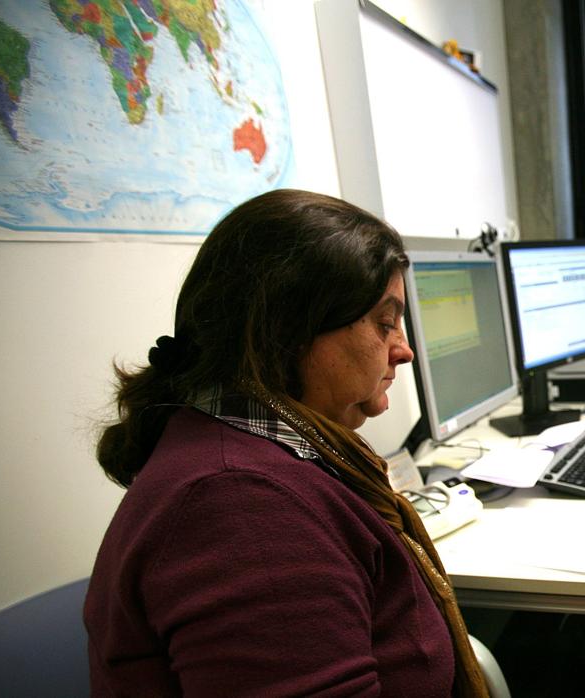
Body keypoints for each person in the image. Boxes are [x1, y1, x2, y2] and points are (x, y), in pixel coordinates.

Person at [86, 190, 488, 697]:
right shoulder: (240, 505)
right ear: (289, 329)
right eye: (385, 323)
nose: (404, 349)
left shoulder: (261, 449)